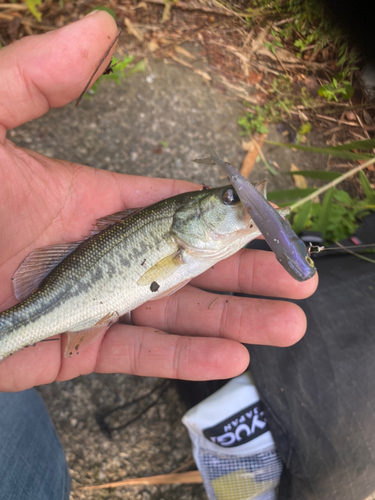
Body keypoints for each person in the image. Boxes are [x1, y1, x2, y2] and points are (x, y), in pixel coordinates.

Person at [0, 11, 318, 499]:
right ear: (187, 223)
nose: (243, 206)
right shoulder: (175, 238)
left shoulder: (189, 242)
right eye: (231, 201)